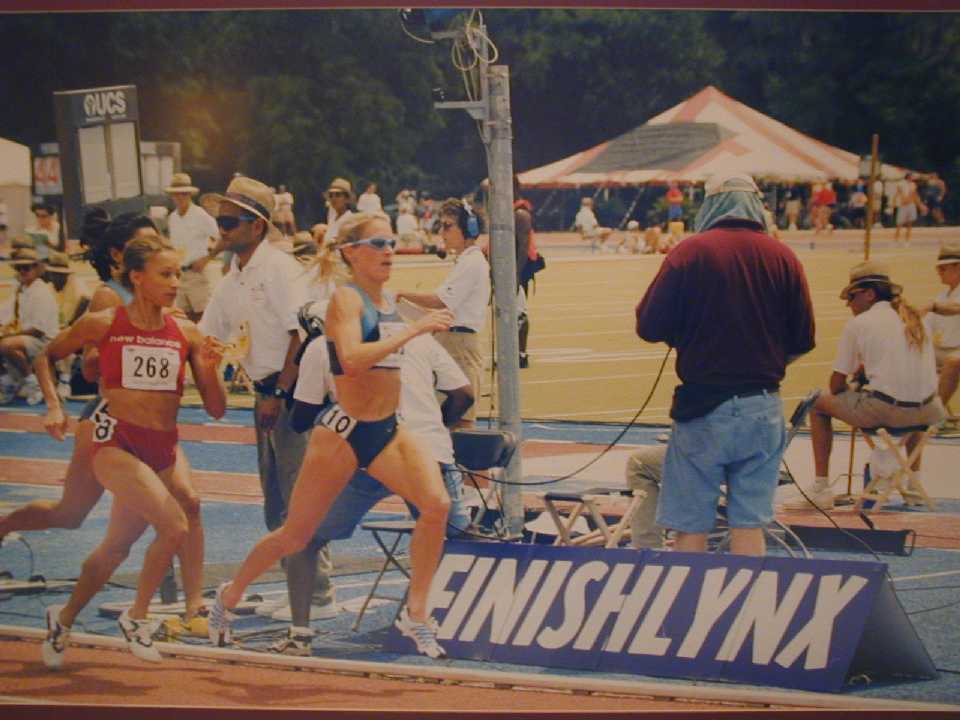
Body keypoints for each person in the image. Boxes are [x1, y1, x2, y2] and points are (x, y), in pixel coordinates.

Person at [207, 213, 455, 659]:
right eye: (378, 243)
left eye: (391, 242)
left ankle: (416, 614)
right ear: (351, 253)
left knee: (436, 506)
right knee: (295, 535)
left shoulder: (386, 299)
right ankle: (228, 598)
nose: (389, 251)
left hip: (387, 429)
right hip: (344, 432)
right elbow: (353, 359)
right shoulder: (345, 299)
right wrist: (415, 330)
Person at [35, 234, 226, 667]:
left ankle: (62, 619)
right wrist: (53, 405)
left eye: (178, 274)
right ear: (137, 277)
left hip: (162, 448)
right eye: (165, 274)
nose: (175, 283)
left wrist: (211, 370)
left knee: (115, 549)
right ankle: (137, 617)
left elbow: (216, 409)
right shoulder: (103, 323)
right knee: (175, 525)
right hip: (116, 443)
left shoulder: (187, 332)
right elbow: (46, 356)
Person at [273, 301, 473, 655]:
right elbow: (463, 395)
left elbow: (300, 419)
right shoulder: (417, 338)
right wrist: (433, 428)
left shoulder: (322, 347)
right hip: (427, 454)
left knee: (303, 537)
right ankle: (460, 625)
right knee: (458, 539)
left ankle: (300, 632)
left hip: (366, 456)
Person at [635, 172, 815, 556]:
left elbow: (649, 325)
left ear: (711, 204)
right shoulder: (783, 256)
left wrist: (686, 336)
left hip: (704, 406)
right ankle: (748, 593)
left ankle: (691, 593)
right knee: (749, 524)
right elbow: (803, 339)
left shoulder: (690, 252)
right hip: (762, 404)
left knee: (690, 526)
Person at [199, 175, 336, 629]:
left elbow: (302, 333)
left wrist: (279, 393)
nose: (222, 229)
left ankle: (318, 592)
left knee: (300, 497)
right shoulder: (234, 275)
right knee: (276, 500)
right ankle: (300, 584)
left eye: (229, 222)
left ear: (256, 226)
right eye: (220, 221)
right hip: (264, 394)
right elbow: (206, 332)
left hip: (291, 394)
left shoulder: (278, 268)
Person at [0, 213, 172, 545]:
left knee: (178, 506)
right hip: (109, 417)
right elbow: (87, 366)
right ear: (119, 254)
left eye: (157, 242)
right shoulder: (110, 296)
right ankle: (3, 526)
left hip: (151, 417)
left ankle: (168, 579)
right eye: (144, 244)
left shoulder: (162, 293)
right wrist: (54, 406)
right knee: (70, 514)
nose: (153, 250)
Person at [791, 261, 945, 510]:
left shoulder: (860, 323)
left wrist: (855, 386)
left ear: (869, 294)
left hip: (889, 412)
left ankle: (821, 487)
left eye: (851, 297)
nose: (848, 304)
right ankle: (914, 482)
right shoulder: (917, 319)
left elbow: (836, 384)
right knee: (913, 396)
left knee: (817, 402)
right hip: (929, 412)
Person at [397, 199, 490, 427]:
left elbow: (439, 301)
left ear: (468, 229)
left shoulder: (472, 262)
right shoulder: (465, 261)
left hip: (459, 344)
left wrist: (402, 293)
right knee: (441, 418)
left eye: (448, 226)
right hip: (451, 340)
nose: (442, 232)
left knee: (461, 420)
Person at [0, 247, 59, 405]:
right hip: (28, 339)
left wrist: (6, 335)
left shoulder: (41, 292)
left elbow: (37, 330)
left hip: (46, 341)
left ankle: (33, 383)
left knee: (7, 344)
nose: (22, 271)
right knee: (5, 342)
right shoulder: (21, 290)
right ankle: (8, 383)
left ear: (36, 269)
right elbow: (4, 313)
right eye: (18, 267)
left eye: (26, 267)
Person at [165, 173, 222, 323]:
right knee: (183, 318)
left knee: (203, 317)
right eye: (176, 194)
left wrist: (207, 258)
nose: (179, 197)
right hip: (179, 274)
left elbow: (222, 237)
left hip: (197, 273)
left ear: (190, 194)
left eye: (183, 194)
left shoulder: (200, 215)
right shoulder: (172, 218)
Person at [923, 241, 960, 417]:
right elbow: (926, 325)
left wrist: (932, 306)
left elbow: (955, 308)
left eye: (943, 268)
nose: (939, 272)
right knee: (910, 354)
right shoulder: (943, 295)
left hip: (955, 353)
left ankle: (935, 415)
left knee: (953, 361)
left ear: (958, 267)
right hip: (945, 349)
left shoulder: (940, 302)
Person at [894, 173, 925, 247]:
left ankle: (907, 241)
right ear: (908, 177)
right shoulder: (901, 184)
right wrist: (898, 201)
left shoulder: (913, 185)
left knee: (909, 224)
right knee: (899, 224)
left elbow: (915, 195)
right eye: (911, 177)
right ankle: (896, 241)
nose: (912, 178)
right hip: (903, 205)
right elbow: (899, 193)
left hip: (911, 205)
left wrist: (920, 205)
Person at [324, 177, 355, 244]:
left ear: (347, 199)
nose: (333, 198)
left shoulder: (350, 220)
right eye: (331, 195)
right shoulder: (332, 219)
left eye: (338, 195)